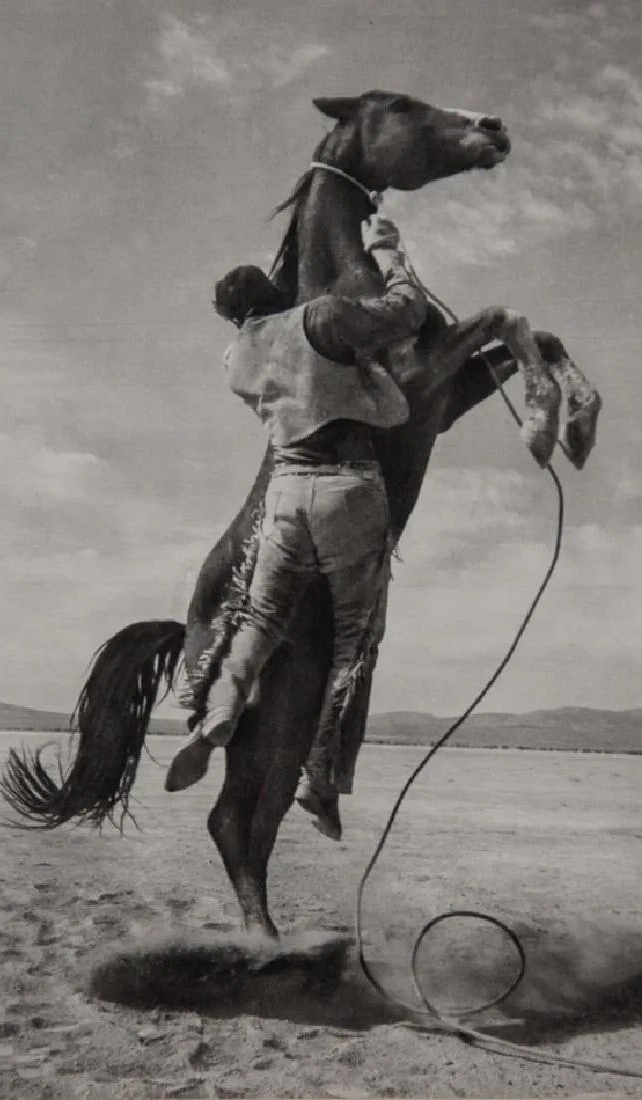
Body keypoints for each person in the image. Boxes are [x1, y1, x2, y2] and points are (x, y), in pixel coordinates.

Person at [165, 217, 429, 840]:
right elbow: (407, 312)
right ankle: (319, 770)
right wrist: (388, 250)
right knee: (353, 639)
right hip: (348, 488)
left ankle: (219, 712)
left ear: (232, 317)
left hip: (284, 494)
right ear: (276, 293)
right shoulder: (322, 316)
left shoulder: (236, 361)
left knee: (258, 621)